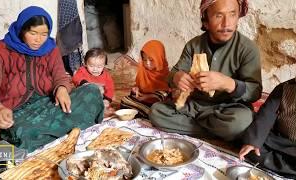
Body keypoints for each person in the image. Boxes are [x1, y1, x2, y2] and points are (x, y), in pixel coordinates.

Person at [0, 6, 104, 152]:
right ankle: (63, 129)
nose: (39, 40)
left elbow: (60, 76)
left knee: (92, 91)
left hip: (48, 103)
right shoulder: (1, 50)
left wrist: (62, 89)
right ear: (22, 30)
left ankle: (51, 132)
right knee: (22, 132)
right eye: (33, 33)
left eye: (44, 34)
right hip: (16, 111)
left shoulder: (51, 48)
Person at [149, 0, 262, 141]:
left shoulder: (247, 49)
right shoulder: (193, 45)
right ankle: (216, 131)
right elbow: (174, 73)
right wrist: (177, 77)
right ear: (206, 21)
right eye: (218, 16)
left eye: (232, 14)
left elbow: (255, 91)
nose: (226, 24)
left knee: (241, 122)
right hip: (195, 106)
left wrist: (227, 84)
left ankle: (198, 128)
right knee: (156, 112)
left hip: (227, 108)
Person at [239, 78, 296, 178]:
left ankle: (285, 167)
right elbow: (266, 114)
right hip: (278, 141)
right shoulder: (284, 88)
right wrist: (254, 142)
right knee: (252, 145)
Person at [120, 40, 170, 118]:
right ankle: (148, 114)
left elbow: (167, 94)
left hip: (159, 104)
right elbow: (138, 87)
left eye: (151, 60)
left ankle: (150, 114)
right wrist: (135, 90)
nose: (147, 63)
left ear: (159, 58)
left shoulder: (166, 74)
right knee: (124, 100)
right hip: (143, 102)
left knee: (160, 109)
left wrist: (148, 97)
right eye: (144, 59)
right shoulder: (143, 71)